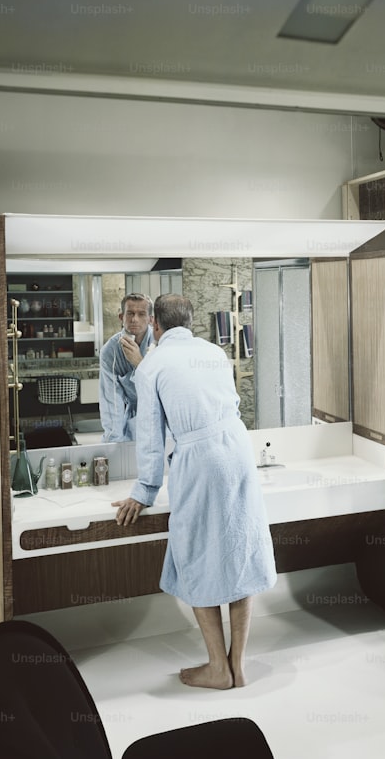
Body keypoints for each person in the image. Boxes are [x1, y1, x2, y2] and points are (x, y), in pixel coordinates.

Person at [112, 294, 277, 689]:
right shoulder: (214, 353)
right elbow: (232, 403)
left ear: (155, 326)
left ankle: (217, 667)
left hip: (199, 461)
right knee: (239, 549)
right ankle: (238, 665)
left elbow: (150, 438)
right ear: (190, 321)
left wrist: (144, 491)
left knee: (197, 551)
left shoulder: (151, 366)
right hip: (237, 451)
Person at [98, 293, 154, 442]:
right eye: (130, 313)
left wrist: (139, 363)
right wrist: (112, 441)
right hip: (133, 419)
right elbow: (111, 401)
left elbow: (165, 388)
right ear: (121, 317)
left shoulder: (160, 343)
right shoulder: (110, 350)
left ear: (151, 319)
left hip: (163, 416)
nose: (134, 319)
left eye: (141, 314)